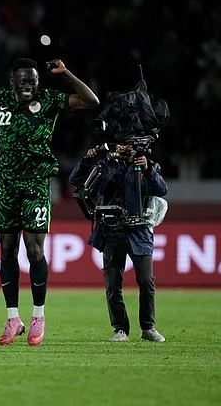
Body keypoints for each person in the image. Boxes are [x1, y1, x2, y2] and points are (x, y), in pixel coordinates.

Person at [0, 56, 100, 346]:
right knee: (7, 250)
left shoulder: (50, 100)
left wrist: (66, 73)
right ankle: (13, 318)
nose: (29, 85)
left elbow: (90, 101)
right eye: (23, 81)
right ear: (12, 82)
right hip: (6, 185)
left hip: (36, 184)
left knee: (34, 251)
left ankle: (38, 316)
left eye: (33, 80)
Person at [69, 144, 167, 342]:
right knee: (113, 284)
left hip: (139, 232)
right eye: (121, 144)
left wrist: (147, 168)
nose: (125, 148)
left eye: (129, 145)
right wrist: (87, 160)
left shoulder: (148, 166)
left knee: (146, 281)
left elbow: (161, 189)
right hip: (111, 230)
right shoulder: (105, 166)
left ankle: (148, 328)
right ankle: (120, 329)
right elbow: (76, 180)